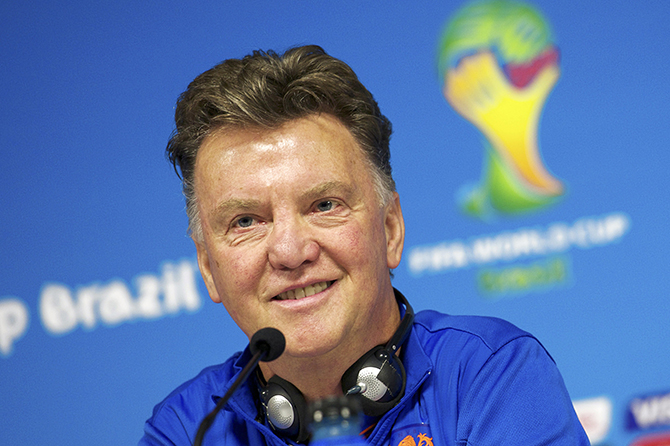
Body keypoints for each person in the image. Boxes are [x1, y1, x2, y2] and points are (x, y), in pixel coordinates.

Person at [140, 45, 589, 446]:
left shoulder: (490, 376)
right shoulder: (187, 430)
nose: (291, 251)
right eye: (246, 221)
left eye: (323, 204)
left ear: (390, 228)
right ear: (207, 267)